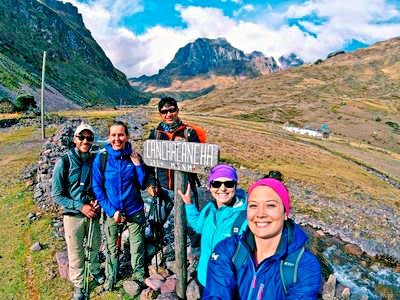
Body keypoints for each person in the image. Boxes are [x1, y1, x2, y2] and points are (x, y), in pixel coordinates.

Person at [204, 177, 322, 299]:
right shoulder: (227, 249)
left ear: (286, 213)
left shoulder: (303, 265)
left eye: (270, 205)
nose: (260, 214)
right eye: (253, 205)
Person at [92, 121, 148, 294]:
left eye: (121, 135)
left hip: (134, 210)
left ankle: (138, 276)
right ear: (108, 137)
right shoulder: (101, 158)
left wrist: (138, 164)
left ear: (127, 136)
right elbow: (97, 188)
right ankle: (110, 278)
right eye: (113, 135)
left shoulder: (134, 156)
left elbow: (143, 184)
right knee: (111, 247)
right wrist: (111, 211)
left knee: (137, 245)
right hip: (112, 212)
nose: (117, 139)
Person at [52, 123, 105, 300]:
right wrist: (80, 206)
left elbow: (98, 185)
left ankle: (95, 271)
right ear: (75, 139)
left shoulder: (94, 160)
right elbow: (57, 195)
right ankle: (79, 285)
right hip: (73, 215)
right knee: (75, 252)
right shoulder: (64, 162)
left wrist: (96, 201)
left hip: (93, 213)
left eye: (89, 138)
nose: (85, 141)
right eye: (81, 137)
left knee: (94, 245)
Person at [177, 164, 247, 290]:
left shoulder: (245, 217)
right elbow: (199, 227)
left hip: (226, 285)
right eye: (216, 184)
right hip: (204, 277)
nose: (223, 188)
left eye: (229, 184)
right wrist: (189, 204)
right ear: (210, 187)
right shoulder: (210, 208)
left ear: (235, 186)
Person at [147, 97, 201, 252]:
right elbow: (149, 166)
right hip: (163, 189)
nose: (168, 114)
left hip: (186, 189)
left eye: (172, 110)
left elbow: (198, 161)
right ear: (160, 114)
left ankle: (198, 263)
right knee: (154, 225)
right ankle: (150, 259)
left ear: (177, 111)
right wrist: (151, 183)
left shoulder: (189, 133)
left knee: (193, 226)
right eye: (164, 111)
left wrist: (183, 147)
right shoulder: (155, 135)